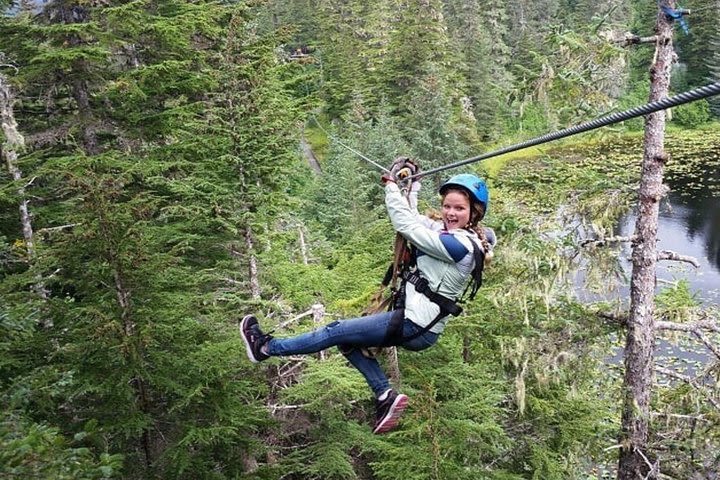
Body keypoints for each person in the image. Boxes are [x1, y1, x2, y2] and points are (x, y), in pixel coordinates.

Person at [240, 158, 496, 434]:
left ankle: (265, 348)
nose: (450, 213)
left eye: (459, 208)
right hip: (419, 325)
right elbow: (416, 220)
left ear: (475, 213)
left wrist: (390, 187)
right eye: (447, 206)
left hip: (415, 324)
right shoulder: (455, 235)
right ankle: (385, 395)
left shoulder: (460, 246)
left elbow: (407, 227)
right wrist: (413, 186)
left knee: (335, 330)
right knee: (349, 343)